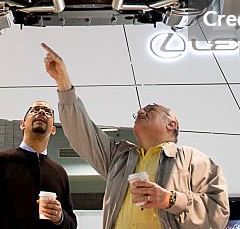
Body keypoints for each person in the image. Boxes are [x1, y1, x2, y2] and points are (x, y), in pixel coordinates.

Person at [41, 42, 230, 229]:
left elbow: (218, 213)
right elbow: (82, 134)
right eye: (140, 110)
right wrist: (63, 82)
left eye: (150, 109)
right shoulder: (119, 158)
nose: (141, 111)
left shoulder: (193, 160)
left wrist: (170, 199)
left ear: (172, 124)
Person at [0, 100, 77, 229]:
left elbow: (72, 224)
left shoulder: (59, 173)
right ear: (22, 124)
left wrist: (61, 218)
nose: (42, 112)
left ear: (53, 129)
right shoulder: (0, 162)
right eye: (35, 110)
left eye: (48, 112)